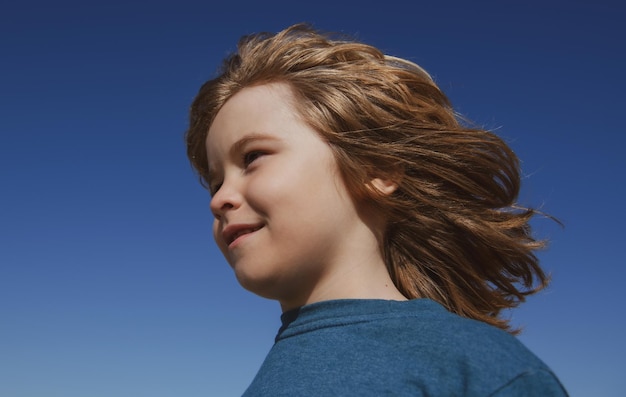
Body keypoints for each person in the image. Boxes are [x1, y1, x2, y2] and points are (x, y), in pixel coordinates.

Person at [185, 24, 568, 396]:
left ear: (375, 170)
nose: (219, 199)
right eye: (216, 182)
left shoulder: (478, 369)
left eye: (252, 157)